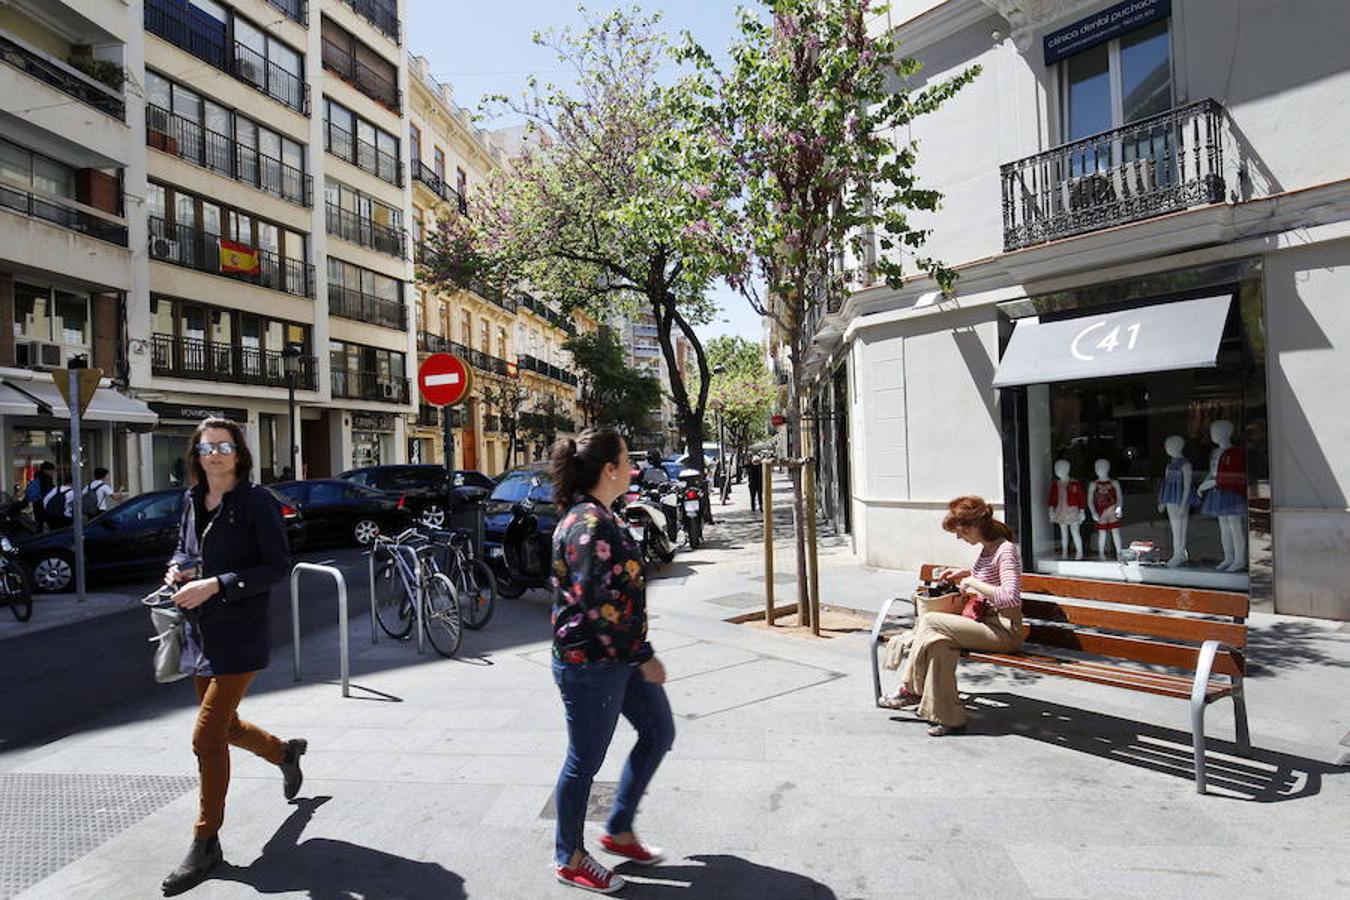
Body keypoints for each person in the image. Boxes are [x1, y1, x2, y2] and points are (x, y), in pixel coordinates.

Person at [160, 418, 307, 897]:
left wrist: (218, 583)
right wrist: (178, 571)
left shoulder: (256, 502)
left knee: (206, 737)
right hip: (200, 631)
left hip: (240, 633)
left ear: (239, 453)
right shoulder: (192, 500)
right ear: (197, 455)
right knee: (226, 728)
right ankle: (285, 753)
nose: (216, 454)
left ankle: (206, 841)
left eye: (224, 446)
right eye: (208, 447)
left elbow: (275, 566)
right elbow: (185, 550)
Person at [548, 428, 675, 894]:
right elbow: (599, 605)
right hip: (592, 663)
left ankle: (617, 829)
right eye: (627, 459)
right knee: (583, 761)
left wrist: (637, 655)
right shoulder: (590, 524)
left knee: (659, 731)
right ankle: (570, 857)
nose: (633, 467)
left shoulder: (602, 514)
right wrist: (644, 657)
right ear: (609, 470)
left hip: (617, 657)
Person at [880, 496, 1023, 736]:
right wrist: (964, 574)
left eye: (961, 532)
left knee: (929, 620)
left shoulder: (1005, 550)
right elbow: (991, 579)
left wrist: (973, 581)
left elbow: (1011, 597)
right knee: (939, 645)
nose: (959, 538)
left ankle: (910, 690)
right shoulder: (988, 548)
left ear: (975, 526)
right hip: (983, 623)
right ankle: (949, 718)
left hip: (1004, 630)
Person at [27, 462, 56, 530]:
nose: (52, 473)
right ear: (47, 470)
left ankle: (38, 537)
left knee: (39, 523)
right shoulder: (46, 478)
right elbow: (48, 491)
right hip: (44, 504)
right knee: (51, 524)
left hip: (36, 503)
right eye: (52, 471)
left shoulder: (36, 477)